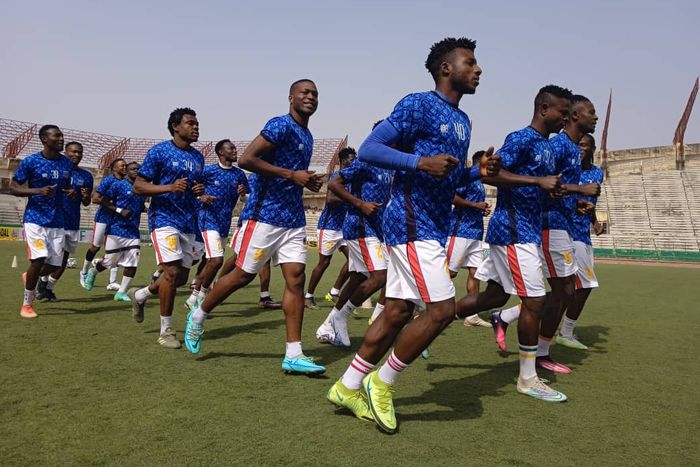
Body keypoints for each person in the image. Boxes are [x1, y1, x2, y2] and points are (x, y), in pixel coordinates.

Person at [327, 37, 499, 433]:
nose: (478, 69)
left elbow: (447, 177)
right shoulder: (418, 103)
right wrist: (419, 161)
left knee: (398, 311)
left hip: (433, 224)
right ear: (446, 68)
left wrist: (477, 172)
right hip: (409, 220)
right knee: (441, 310)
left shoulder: (463, 120)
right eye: (470, 62)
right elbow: (370, 149)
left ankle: (348, 386)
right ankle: (382, 382)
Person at [183, 80, 326, 376]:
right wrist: (292, 175)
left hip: (293, 219)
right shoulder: (280, 125)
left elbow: (292, 176)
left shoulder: (307, 135)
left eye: (315, 93)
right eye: (305, 92)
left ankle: (294, 354)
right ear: (291, 97)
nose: (310, 97)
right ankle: (199, 315)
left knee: (295, 280)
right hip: (263, 216)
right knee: (242, 275)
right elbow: (248, 159)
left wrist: (305, 181)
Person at [454, 85, 572, 402]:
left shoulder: (547, 147)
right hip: (514, 232)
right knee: (535, 301)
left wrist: (550, 190)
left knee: (494, 296)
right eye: (562, 112)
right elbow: (491, 175)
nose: (565, 118)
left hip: (523, 231)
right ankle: (528, 378)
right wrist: (537, 181)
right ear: (544, 108)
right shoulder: (521, 138)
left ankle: (436, 317)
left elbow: (535, 187)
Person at [488, 95, 600, 373]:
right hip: (546, 225)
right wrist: (577, 190)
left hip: (561, 223)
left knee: (561, 291)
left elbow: (553, 187)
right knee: (560, 291)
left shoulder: (569, 148)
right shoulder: (557, 145)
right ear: (574, 115)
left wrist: (575, 201)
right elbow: (540, 183)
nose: (595, 117)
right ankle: (536, 354)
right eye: (591, 112)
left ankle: (524, 335)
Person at [127, 107, 205, 349]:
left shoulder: (198, 157)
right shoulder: (159, 151)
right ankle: (166, 331)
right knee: (170, 273)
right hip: (163, 220)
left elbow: (194, 186)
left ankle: (141, 294)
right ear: (175, 127)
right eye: (190, 123)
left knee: (180, 278)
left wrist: (199, 190)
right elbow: (138, 187)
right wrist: (168, 187)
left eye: (197, 123)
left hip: (188, 221)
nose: (196, 127)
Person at [315, 147, 392, 347]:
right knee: (380, 276)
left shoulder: (391, 166)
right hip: (360, 226)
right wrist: (360, 204)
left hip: (377, 229)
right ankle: (341, 316)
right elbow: (334, 184)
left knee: (359, 277)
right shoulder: (366, 161)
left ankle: (328, 325)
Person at [10, 124, 73, 318]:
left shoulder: (66, 163)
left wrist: (71, 191)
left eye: (62, 136)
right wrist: (37, 191)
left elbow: (65, 186)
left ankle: (30, 275)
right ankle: (27, 305)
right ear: (44, 139)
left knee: (55, 265)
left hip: (58, 220)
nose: (61, 139)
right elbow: (13, 187)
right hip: (35, 219)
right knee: (38, 259)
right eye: (57, 136)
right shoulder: (31, 161)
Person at [184, 139, 250, 311]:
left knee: (210, 262)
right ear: (221, 152)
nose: (235, 151)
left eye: (235, 148)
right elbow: (190, 188)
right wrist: (201, 197)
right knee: (217, 260)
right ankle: (202, 296)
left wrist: (243, 194)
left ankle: (192, 298)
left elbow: (246, 198)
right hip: (208, 218)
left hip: (225, 222)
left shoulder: (239, 174)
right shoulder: (208, 171)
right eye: (231, 148)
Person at [556, 133, 604, 349]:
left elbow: (590, 202)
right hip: (569, 232)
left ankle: (508, 316)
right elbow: (560, 195)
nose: (580, 149)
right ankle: (565, 332)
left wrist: (595, 221)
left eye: (584, 145)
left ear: (593, 149)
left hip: (584, 235)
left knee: (568, 289)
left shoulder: (597, 173)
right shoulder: (569, 170)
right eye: (578, 145)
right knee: (585, 285)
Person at [37, 141, 93, 301]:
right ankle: (38, 281)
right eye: (73, 151)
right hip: (53, 220)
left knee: (63, 260)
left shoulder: (86, 176)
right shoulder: (55, 171)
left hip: (72, 221)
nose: (76, 155)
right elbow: (44, 192)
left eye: (79, 152)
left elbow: (86, 202)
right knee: (49, 257)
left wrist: (85, 196)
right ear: (65, 152)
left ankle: (47, 288)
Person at [83, 162, 146, 300]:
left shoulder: (142, 188)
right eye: (133, 169)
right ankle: (93, 271)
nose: (136, 171)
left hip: (133, 230)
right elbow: (103, 200)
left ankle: (121, 292)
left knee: (133, 262)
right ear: (127, 171)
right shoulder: (118, 185)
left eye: (138, 169)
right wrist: (119, 210)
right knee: (110, 262)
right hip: (116, 228)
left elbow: (140, 205)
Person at [304, 147, 356, 309]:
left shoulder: (352, 178)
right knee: (324, 263)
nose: (354, 161)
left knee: (355, 260)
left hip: (343, 228)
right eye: (352, 159)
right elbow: (330, 200)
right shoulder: (336, 176)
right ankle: (308, 296)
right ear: (344, 160)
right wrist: (351, 199)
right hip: (328, 227)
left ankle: (334, 292)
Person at [445, 150, 492, 327]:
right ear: (480, 162)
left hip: (476, 234)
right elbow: (452, 197)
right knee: (450, 272)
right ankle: (423, 305)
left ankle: (472, 315)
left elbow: (475, 205)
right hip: (460, 232)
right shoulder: (466, 179)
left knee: (475, 273)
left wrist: (481, 209)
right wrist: (474, 205)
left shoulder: (481, 183)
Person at [80, 158, 126, 289]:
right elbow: (95, 199)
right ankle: (84, 271)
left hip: (117, 220)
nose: (124, 168)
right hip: (103, 218)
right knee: (95, 247)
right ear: (114, 168)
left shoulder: (127, 182)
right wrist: (113, 205)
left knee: (115, 249)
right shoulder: (108, 181)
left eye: (125, 166)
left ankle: (112, 281)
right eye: (122, 166)